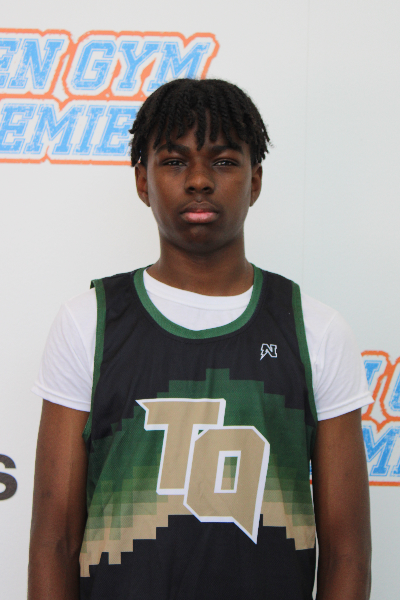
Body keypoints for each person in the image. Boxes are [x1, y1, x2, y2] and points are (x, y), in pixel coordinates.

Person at [29, 78, 372, 600]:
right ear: (142, 181)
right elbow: (53, 543)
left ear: (254, 181)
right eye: (173, 161)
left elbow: (348, 553)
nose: (198, 180)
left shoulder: (315, 330)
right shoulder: (88, 323)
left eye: (224, 161)